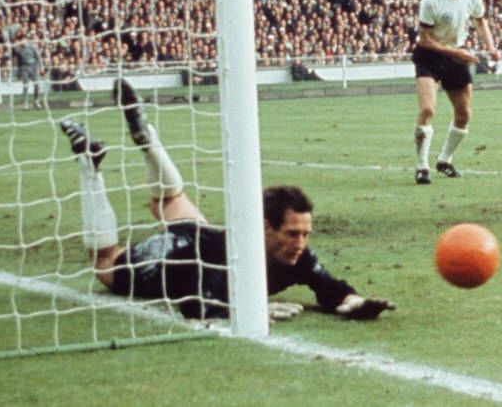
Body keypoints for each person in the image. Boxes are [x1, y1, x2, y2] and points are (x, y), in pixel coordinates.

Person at [56, 79, 395, 321]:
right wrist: (251, 311)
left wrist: (353, 301)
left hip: (198, 233)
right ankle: (90, 166)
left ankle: (150, 141)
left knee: (170, 198)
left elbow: (329, 286)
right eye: (293, 233)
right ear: (265, 227)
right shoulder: (224, 260)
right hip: (167, 260)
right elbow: (195, 305)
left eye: (305, 233)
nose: (300, 242)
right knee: (104, 261)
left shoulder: (295, 255)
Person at [410, 0, 500, 185]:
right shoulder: (431, 0)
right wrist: (456, 53)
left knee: (464, 114)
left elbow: (481, 21)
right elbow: (424, 40)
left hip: (456, 54)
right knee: (428, 109)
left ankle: (445, 160)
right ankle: (422, 167)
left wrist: (490, 47)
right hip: (430, 56)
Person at [12, 31, 44, 109]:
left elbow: (38, 58)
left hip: (34, 67)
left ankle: (36, 101)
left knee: (37, 85)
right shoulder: (19, 50)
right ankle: (25, 103)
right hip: (24, 68)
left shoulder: (33, 47)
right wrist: (18, 74)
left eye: (23, 39)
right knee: (26, 86)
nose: (22, 41)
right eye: (21, 40)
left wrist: (41, 67)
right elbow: (19, 63)